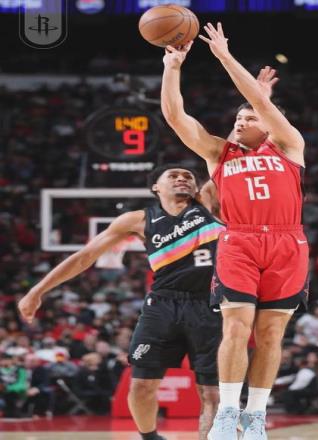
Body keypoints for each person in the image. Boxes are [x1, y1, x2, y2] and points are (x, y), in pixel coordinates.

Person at [161, 22, 309, 439]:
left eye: (249, 117)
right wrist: (172, 68)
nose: (240, 121)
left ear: (268, 123)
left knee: (271, 333)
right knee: (236, 327)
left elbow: (262, 105)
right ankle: (228, 412)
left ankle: (255, 416)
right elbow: (176, 118)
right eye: (237, 117)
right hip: (239, 240)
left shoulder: (289, 145)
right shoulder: (219, 154)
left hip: (287, 241)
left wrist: (225, 57)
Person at [18, 165, 225, 440]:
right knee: (141, 386)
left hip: (210, 304)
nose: (182, 178)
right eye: (173, 175)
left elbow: (225, 159)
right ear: (156, 187)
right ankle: (150, 437)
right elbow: (85, 256)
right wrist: (37, 290)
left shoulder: (207, 201)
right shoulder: (137, 220)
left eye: (188, 176)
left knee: (212, 391)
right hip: (162, 306)